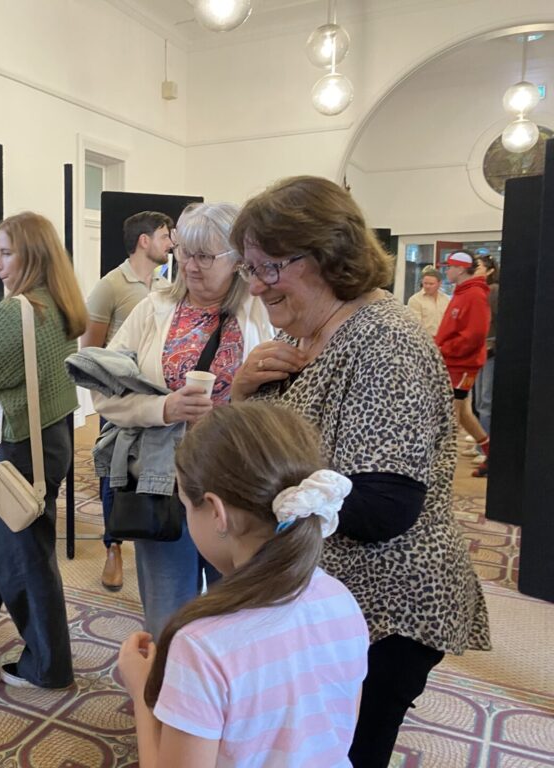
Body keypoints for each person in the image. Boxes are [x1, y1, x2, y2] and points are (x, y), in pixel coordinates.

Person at [229, 175, 490, 768]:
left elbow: (383, 506)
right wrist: (244, 391)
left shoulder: (384, 341)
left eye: (270, 268)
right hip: (337, 600)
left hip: (386, 607)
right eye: (250, 269)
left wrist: (256, 495)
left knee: (345, 753)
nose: (257, 285)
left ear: (328, 256)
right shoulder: (311, 332)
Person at [118, 401, 369, 768]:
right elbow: (338, 735)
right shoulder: (340, 599)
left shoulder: (202, 645)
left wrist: (143, 695)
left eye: (186, 505)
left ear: (216, 512)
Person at [91, 201, 275, 638]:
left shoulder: (263, 312)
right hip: (165, 482)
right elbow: (102, 389)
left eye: (205, 256)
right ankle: (166, 681)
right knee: (168, 616)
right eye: (185, 253)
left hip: (237, 484)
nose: (190, 266)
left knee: (236, 614)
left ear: (237, 259)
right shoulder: (152, 309)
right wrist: (163, 409)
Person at [0, 211, 87, 689]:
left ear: (32, 256)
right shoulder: (62, 306)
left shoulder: (15, 313)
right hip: (50, 441)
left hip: (20, 450)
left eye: (6, 253)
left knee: (25, 561)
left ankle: (49, 667)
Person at [80, 210, 174, 592]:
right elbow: (90, 351)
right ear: (144, 241)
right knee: (114, 476)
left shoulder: (167, 286)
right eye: (165, 235)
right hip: (120, 403)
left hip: (160, 404)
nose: (171, 244)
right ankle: (113, 548)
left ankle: (151, 534)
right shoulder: (110, 286)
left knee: (151, 471)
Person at [435, 250, 491, 473]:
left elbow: (474, 335)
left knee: (451, 417)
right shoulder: (462, 293)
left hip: (462, 365)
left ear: (460, 269)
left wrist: (445, 349)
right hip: (453, 362)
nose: (446, 271)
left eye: (449, 267)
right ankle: (490, 453)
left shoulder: (474, 295)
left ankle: (442, 466)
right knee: (464, 413)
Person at [471, 250, 499, 477]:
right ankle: (480, 442)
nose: (475, 270)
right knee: (478, 401)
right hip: (480, 350)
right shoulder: (477, 291)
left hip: (490, 351)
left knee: (485, 401)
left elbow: (493, 322)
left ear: (489, 271)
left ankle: (485, 448)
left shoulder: (494, 291)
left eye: (478, 267)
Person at [406, 265, 449, 336]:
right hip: (425, 339)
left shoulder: (446, 299)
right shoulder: (415, 300)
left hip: (444, 338)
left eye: (431, 284)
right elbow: (416, 326)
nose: (427, 286)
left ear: (439, 284)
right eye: (425, 283)